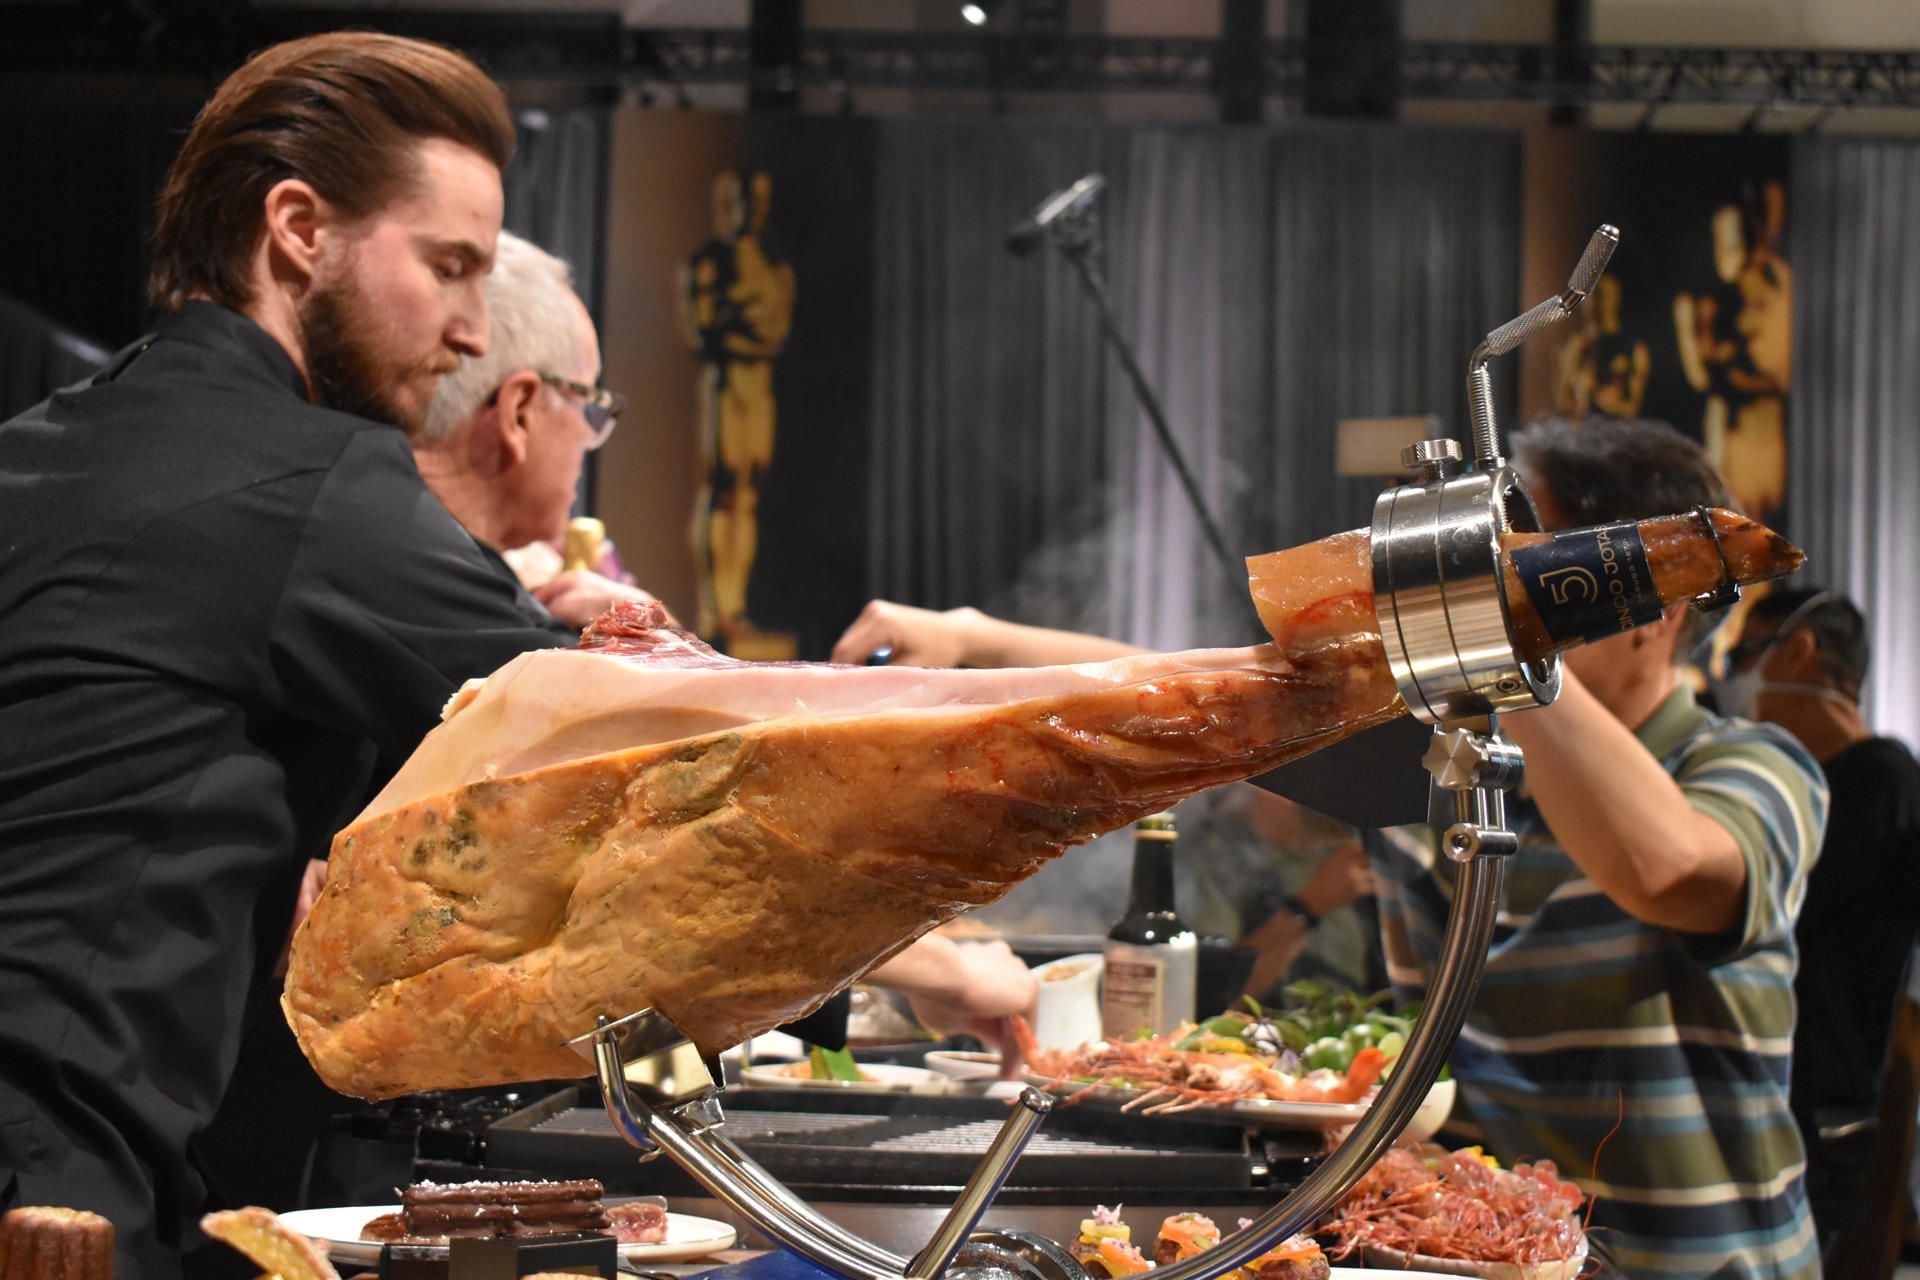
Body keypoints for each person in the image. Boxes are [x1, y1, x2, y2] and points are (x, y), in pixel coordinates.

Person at [0, 33, 578, 1279]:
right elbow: (618, 737)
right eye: (450, 267)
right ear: (301, 229)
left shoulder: (50, 442)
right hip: (59, 1196)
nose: (475, 331)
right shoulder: (307, 485)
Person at [1368, 417, 1826, 1279]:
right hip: (1469, 1258)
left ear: (1652, 605)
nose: (1493, 602)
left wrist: (1495, 632)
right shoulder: (1464, 768)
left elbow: (1668, 870)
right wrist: (1022, 655)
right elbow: (1204, 703)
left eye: (1526, 576)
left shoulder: (1754, 766)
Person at [1722, 586, 1920, 1250]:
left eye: (1745, 656)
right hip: (1776, 1111)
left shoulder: (1880, 782)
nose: (1736, 680)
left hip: (1819, 1122)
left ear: (1799, 652)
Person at [413, 230, 666, 629]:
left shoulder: (369, 542)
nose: (590, 435)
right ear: (519, 411)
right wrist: (652, 632)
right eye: (588, 402)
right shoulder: (495, 632)